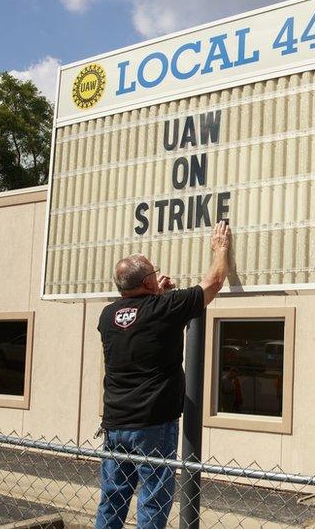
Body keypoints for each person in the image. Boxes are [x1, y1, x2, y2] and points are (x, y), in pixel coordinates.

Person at [94, 221, 232, 529]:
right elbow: (212, 284)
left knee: (113, 498)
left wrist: (160, 296)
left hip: (116, 424)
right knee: (153, 500)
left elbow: (148, 333)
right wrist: (220, 249)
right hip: (153, 424)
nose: (158, 275)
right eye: (153, 273)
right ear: (146, 281)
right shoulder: (162, 307)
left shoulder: (107, 316)